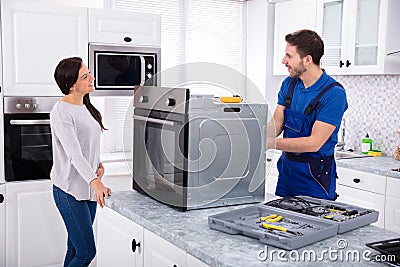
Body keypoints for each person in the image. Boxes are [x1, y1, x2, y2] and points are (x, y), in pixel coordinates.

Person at [267, 29, 348, 200]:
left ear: (307, 60)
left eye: (289, 56)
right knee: (280, 223)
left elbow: (314, 143)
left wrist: (270, 143)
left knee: (313, 225)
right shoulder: (289, 84)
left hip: (314, 178)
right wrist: (254, 138)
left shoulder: (334, 94)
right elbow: (276, 123)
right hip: (287, 172)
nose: (284, 61)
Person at [50, 57, 111, 266]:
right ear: (71, 85)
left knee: (75, 248)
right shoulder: (61, 112)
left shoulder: (86, 106)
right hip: (68, 190)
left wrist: (98, 166)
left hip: (86, 188)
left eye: (89, 73)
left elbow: (88, 143)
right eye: (85, 76)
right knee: (86, 252)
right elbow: (74, 153)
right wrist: (95, 182)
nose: (92, 78)